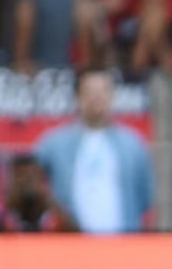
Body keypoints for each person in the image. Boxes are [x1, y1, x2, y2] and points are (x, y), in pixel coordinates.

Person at [35, 68, 155, 234]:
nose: (96, 98)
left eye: (103, 91)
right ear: (77, 96)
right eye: (90, 91)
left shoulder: (133, 144)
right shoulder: (54, 143)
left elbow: (145, 197)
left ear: (112, 95)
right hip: (70, 245)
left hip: (124, 243)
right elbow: (34, 184)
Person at [0, 154, 77, 232]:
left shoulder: (58, 215)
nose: (27, 183)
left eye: (31, 177)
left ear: (42, 180)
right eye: (20, 178)